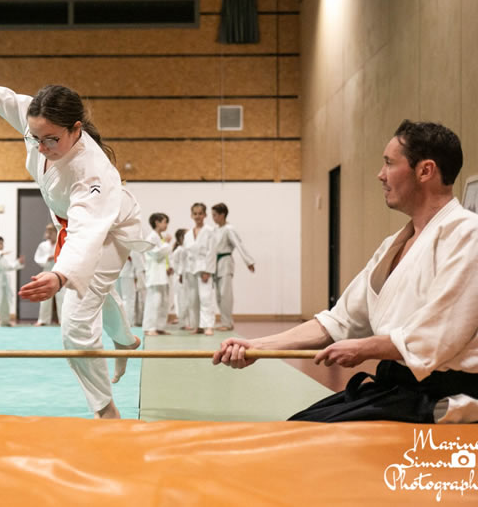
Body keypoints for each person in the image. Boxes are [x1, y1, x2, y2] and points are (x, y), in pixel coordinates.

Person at [213, 120, 478, 424]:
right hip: (397, 388)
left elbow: (436, 339)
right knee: (297, 424)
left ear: (425, 170)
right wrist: (259, 347)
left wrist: (363, 348)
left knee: (308, 436)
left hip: (443, 396)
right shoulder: (395, 244)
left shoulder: (467, 235)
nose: (381, 175)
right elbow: (340, 321)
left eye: (390, 163)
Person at [0, 69, 147, 419]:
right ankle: (125, 339)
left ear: (76, 129)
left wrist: (61, 276)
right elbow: (17, 106)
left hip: (108, 229)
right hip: (73, 225)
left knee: (76, 320)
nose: (42, 146)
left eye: (51, 140)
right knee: (96, 290)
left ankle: (106, 410)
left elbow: (88, 234)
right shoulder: (42, 128)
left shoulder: (93, 172)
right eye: (36, 138)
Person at [211, 203, 255, 331]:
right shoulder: (214, 230)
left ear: (222, 214)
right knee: (219, 295)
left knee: (226, 294)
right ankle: (224, 321)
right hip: (216, 264)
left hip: (225, 262)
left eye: (215, 215)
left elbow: (239, 245)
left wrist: (249, 261)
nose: (213, 218)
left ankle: (228, 323)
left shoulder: (229, 229)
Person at [183, 202, 216, 336]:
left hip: (204, 268)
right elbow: (186, 253)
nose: (198, 216)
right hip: (190, 268)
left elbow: (212, 251)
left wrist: (208, 270)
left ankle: (208, 326)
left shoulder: (209, 231)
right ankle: (197, 326)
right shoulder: (188, 234)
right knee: (193, 299)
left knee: (205, 297)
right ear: (191, 215)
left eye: (200, 213)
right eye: (195, 214)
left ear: (205, 215)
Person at [142, 213, 173, 336]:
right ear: (157, 222)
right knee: (154, 301)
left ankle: (160, 326)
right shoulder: (151, 237)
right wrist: (167, 243)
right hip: (154, 275)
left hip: (162, 275)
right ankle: (150, 327)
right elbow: (156, 254)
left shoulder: (160, 237)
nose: (166, 225)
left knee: (163, 301)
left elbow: (164, 255)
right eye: (164, 222)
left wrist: (168, 266)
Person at [33, 224, 63, 326]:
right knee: (45, 296)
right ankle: (43, 320)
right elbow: (37, 258)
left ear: (56, 232)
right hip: (47, 271)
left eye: (51, 232)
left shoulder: (62, 242)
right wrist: (47, 258)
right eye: (48, 233)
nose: (49, 235)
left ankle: (63, 320)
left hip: (60, 271)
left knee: (62, 297)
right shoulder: (43, 245)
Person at [170, 228, 190, 330]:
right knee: (181, 300)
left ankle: (187, 321)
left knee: (186, 299)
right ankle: (183, 322)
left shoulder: (184, 249)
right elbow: (176, 265)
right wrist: (181, 274)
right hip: (180, 277)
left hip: (184, 276)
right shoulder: (180, 250)